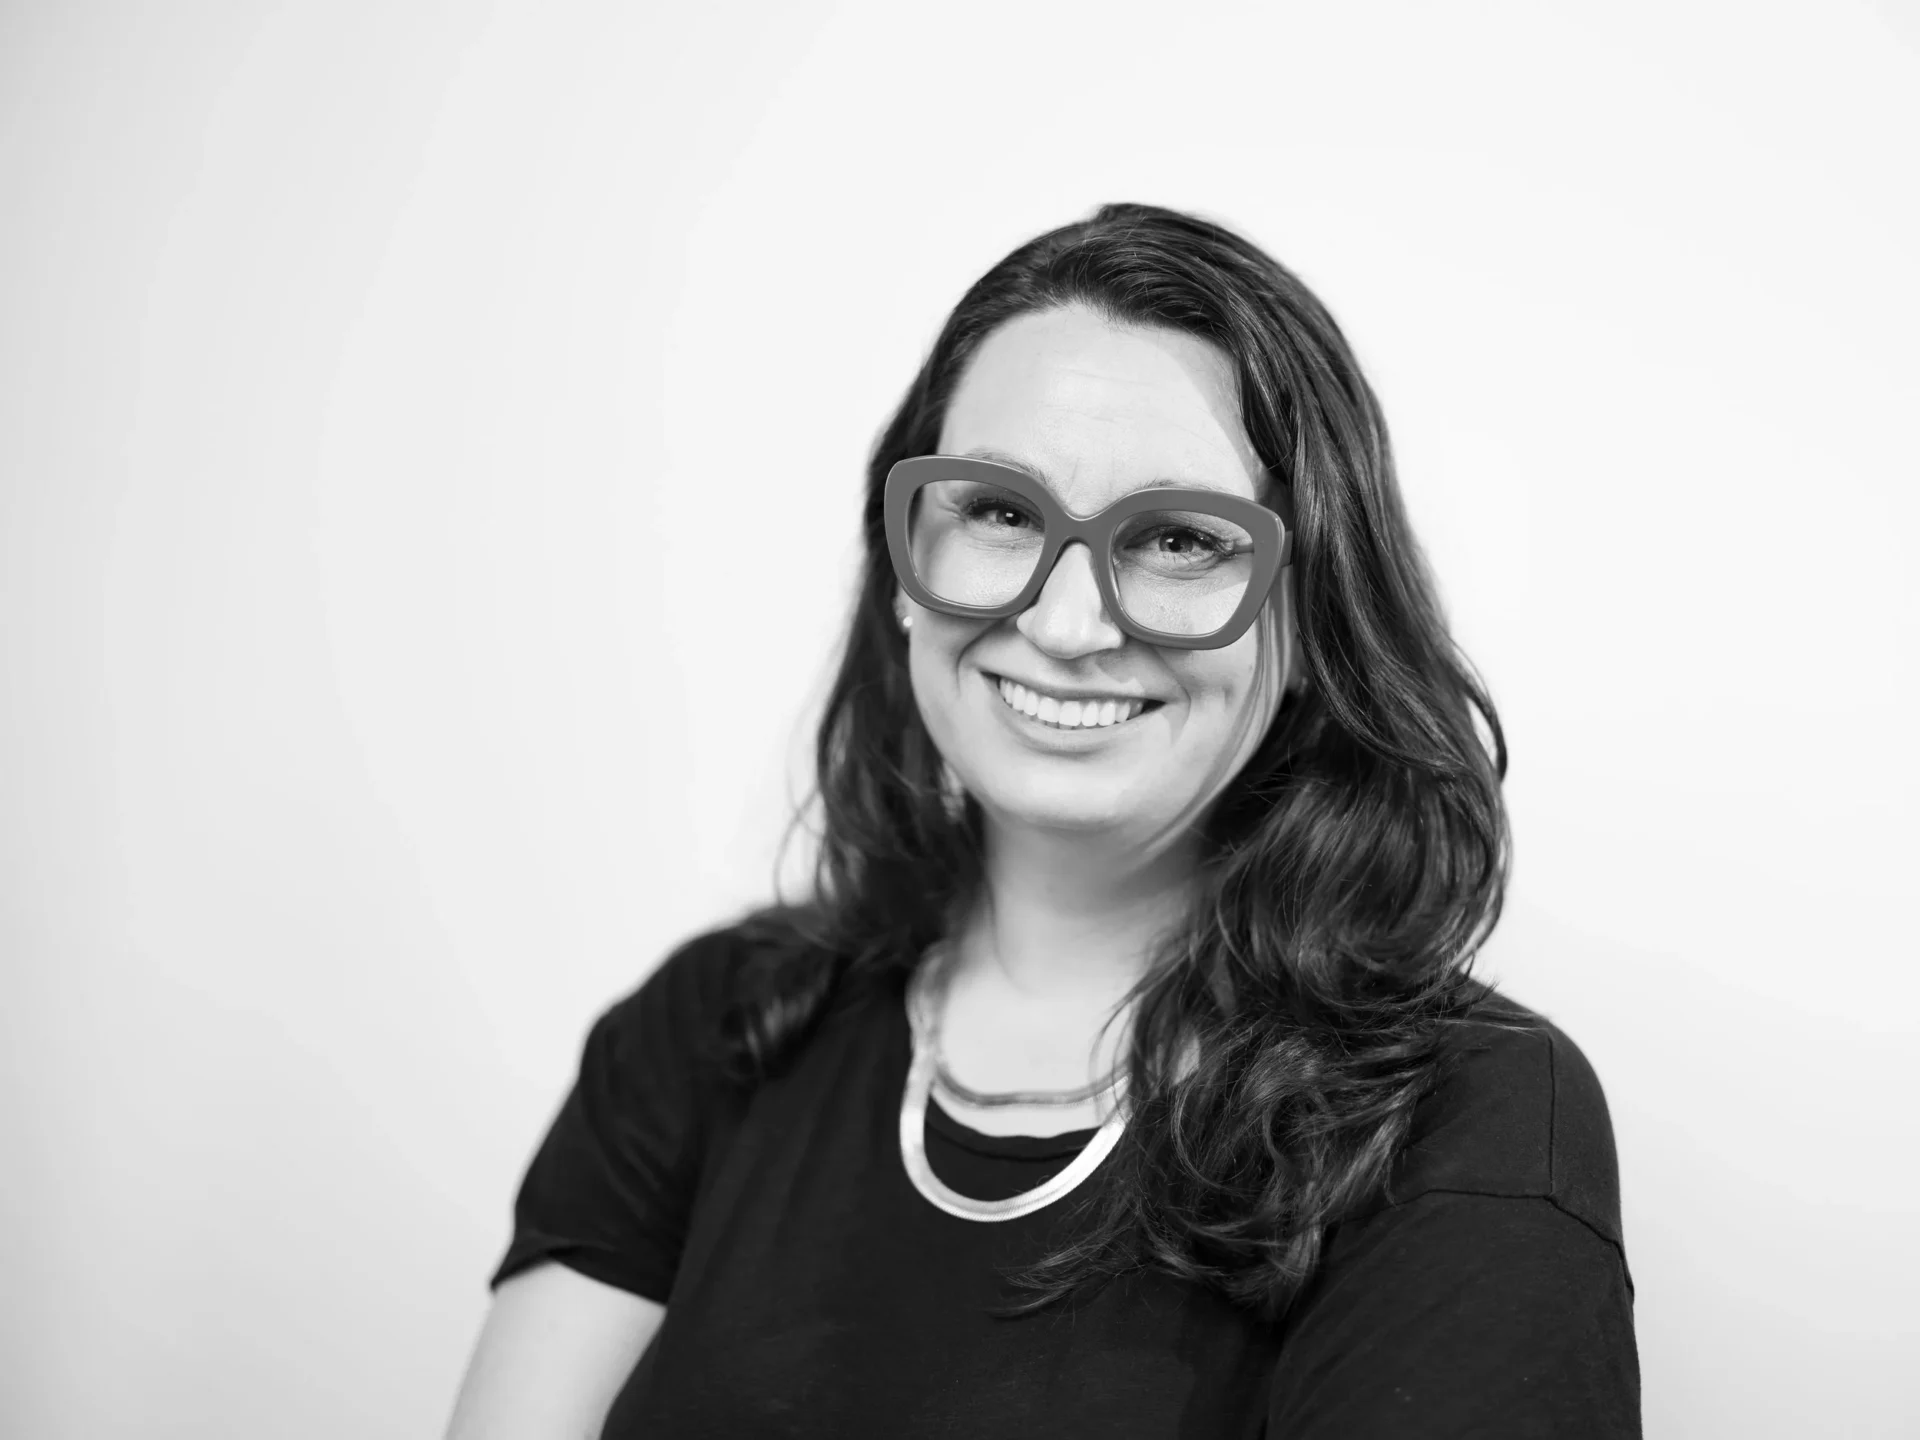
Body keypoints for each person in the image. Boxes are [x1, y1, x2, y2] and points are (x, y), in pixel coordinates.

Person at [444, 202, 1640, 1438]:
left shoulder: (1465, 1117)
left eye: (1179, 539)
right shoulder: (709, 1033)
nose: (1068, 626)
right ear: (905, 563)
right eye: (1003, 513)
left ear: (1309, 624)